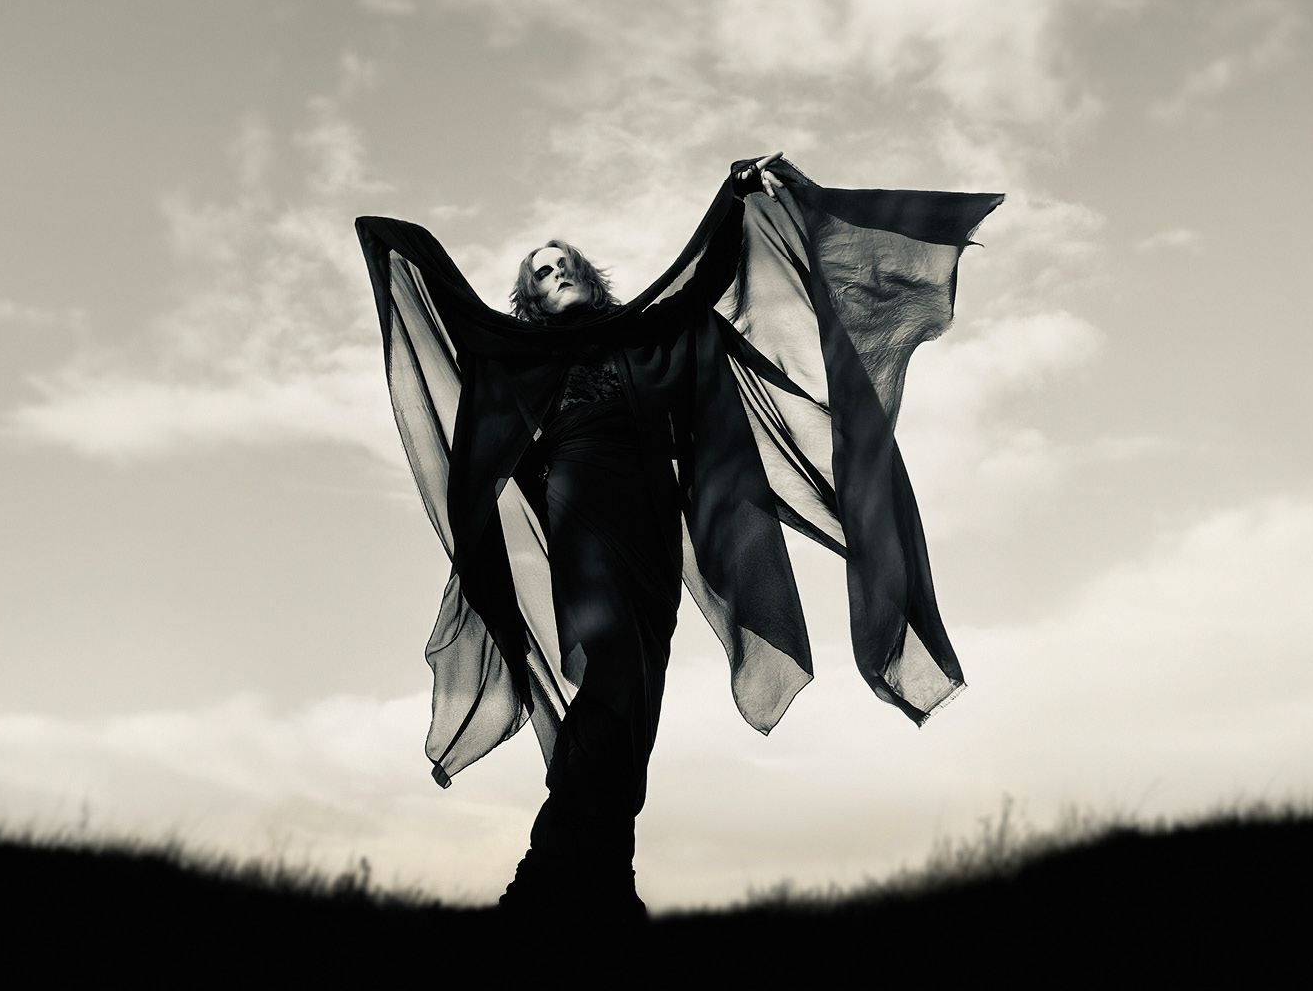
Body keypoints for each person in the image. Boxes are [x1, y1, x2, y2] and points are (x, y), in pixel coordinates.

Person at [353, 152, 1001, 928]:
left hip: (652, 525)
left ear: (590, 277)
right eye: (541, 271)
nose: (556, 272)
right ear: (530, 297)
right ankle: (545, 876)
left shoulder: (647, 333)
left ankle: (605, 882)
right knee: (613, 673)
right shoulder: (519, 356)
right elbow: (452, 310)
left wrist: (736, 193)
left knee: (638, 696)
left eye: (566, 262)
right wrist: (398, 243)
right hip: (581, 510)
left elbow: (705, 275)